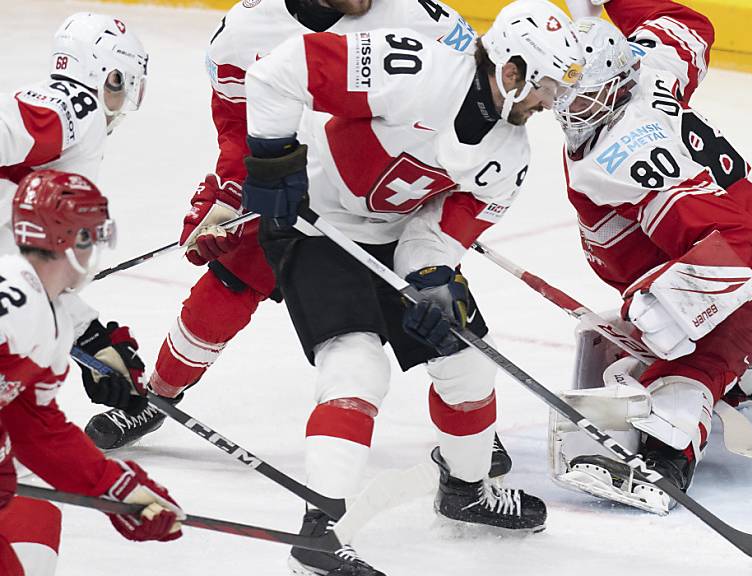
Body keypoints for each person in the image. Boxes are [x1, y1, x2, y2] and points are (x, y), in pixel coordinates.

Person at [82, 0, 509, 474]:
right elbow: (236, 127)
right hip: (294, 187)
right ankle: (155, 397)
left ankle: (469, 436)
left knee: (436, 310)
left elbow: (480, 98)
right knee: (228, 282)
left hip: (394, 201)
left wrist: (451, 184)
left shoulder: (421, 16)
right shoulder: (244, 32)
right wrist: (229, 190)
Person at [240, 0, 582, 573]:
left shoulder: (510, 155)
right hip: (318, 223)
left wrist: (430, 280)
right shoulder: (415, 67)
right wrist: (272, 161)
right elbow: (278, 72)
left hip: (396, 237)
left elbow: (440, 230)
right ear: (512, 69)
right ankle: (320, 525)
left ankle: (465, 490)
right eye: (547, 85)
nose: (552, 103)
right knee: (356, 367)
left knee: (467, 359)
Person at [549, 0, 752, 515]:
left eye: (582, 95)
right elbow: (689, 27)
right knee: (653, 343)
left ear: (614, 86)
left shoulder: (625, 152)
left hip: (751, 272)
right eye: (564, 89)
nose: (567, 106)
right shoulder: (647, 64)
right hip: (744, 248)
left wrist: (665, 309)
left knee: (681, 373)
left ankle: (665, 459)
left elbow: (731, 236)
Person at [0, 170, 183, 576]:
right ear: (71, 240)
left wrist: (118, 488)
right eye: (92, 233)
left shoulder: (52, 320)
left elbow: (37, 429)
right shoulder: (16, 306)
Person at [0, 13, 151, 420]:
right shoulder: (76, 105)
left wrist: (92, 338)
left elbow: (23, 278)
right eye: (125, 83)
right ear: (109, 75)